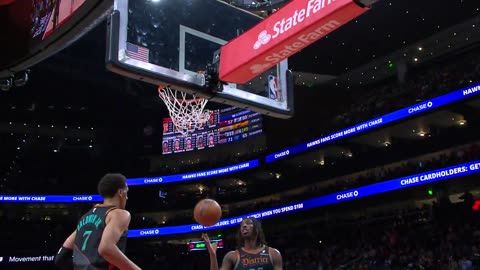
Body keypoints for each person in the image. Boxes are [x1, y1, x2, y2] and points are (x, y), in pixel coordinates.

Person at [54, 173, 141, 270]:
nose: (127, 197)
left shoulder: (86, 217)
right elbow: (106, 248)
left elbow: (60, 258)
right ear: (121, 192)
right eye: (126, 192)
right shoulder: (119, 214)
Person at [202, 217, 283, 270]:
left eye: (248, 223)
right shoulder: (232, 256)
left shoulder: (273, 253)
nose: (244, 225)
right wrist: (213, 256)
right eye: (242, 225)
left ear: (257, 229)